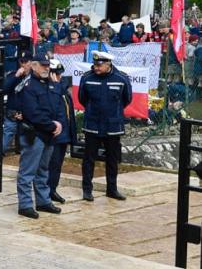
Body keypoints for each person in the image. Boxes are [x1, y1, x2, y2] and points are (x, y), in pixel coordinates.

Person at [78, 50, 133, 201]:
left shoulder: (121, 78)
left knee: (112, 160)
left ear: (108, 64)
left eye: (100, 65)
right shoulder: (87, 78)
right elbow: (82, 98)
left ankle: (112, 189)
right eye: (95, 64)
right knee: (89, 159)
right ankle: (87, 190)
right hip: (93, 125)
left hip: (113, 126)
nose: (96, 67)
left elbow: (127, 99)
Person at [16, 53, 63, 219]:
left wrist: (58, 123)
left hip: (48, 133)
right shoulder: (28, 85)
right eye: (42, 65)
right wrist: (52, 126)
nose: (46, 68)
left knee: (43, 170)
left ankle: (43, 201)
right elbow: (33, 113)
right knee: (27, 171)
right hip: (34, 133)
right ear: (34, 66)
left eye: (47, 65)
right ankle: (25, 204)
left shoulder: (50, 84)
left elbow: (57, 106)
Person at [47, 58, 75, 204]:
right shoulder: (50, 89)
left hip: (63, 134)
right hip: (53, 134)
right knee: (49, 164)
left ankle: (53, 189)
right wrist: (55, 86)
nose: (60, 76)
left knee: (57, 164)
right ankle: (46, 192)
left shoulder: (61, 88)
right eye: (57, 74)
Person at [0, 53, 30, 159]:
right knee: (8, 132)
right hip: (12, 110)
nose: (23, 64)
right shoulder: (13, 75)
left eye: (26, 62)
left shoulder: (34, 77)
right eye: (21, 62)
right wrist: (16, 76)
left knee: (26, 135)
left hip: (27, 112)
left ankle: (24, 154)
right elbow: (4, 89)